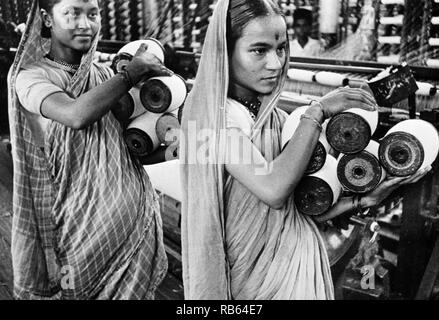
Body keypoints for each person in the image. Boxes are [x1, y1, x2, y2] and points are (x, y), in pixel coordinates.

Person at [180, 0, 429, 300]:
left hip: (293, 271)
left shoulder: (276, 119)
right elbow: (274, 190)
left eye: (281, 48)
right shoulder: (207, 116)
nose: (276, 63)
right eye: (259, 50)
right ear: (224, 51)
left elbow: (298, 212)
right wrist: (317, 112)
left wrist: (365, 199)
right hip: (250, 285)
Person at [8, 0, 171, 299]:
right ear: (46, 18)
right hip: (78, 230)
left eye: (92, 14)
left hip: (134, 226)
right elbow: (76, 115)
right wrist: (131, 74)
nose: (85, 23)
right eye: (72, 13)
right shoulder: (31, 77)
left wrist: (173, 149)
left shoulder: (105, 76)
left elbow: (128, 149)